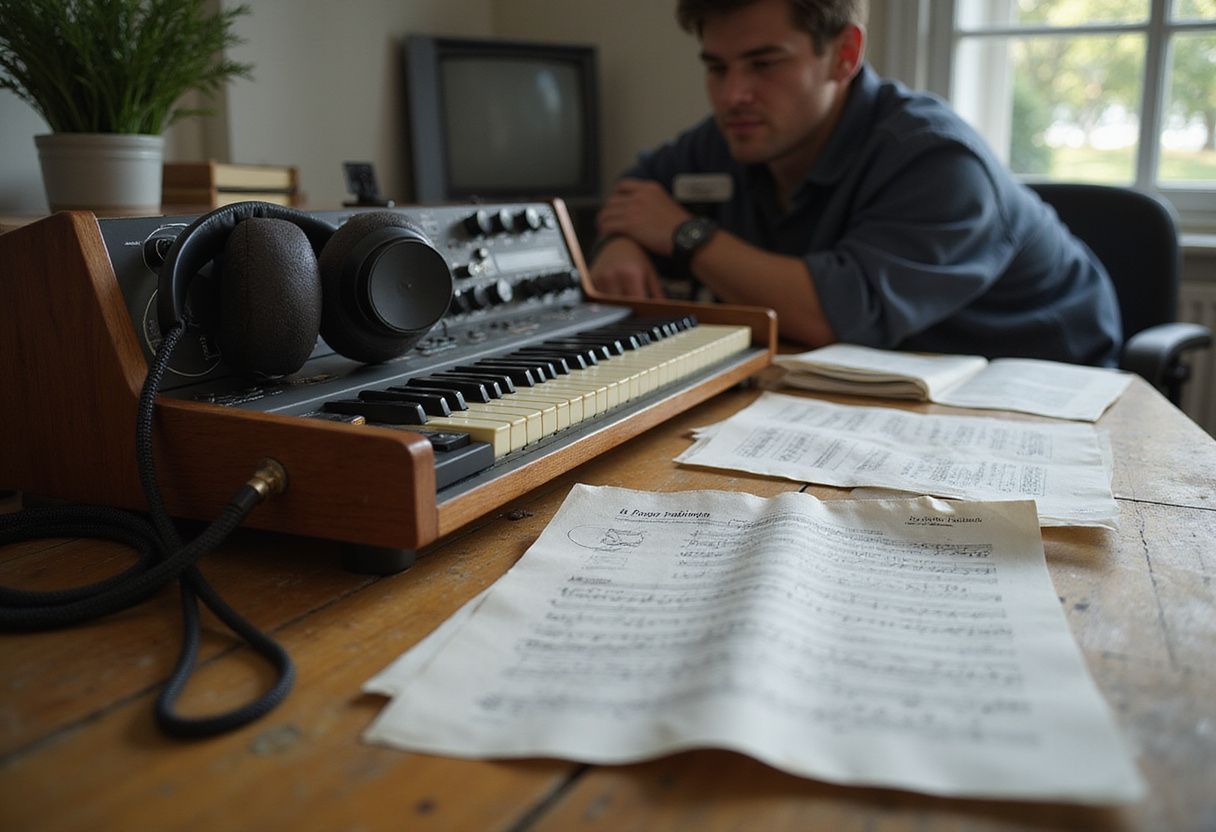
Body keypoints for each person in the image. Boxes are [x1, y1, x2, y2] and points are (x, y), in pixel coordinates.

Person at [590, 0, 1123, 366]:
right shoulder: (739, 135)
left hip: (1038, 392)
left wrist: (685, 235)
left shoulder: (937, 159)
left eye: (763, 64)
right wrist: (623, 242)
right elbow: (639, 191)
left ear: (844, 54)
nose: (733, 95)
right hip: (866, 396)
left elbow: (832, 317)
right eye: (717, 67)